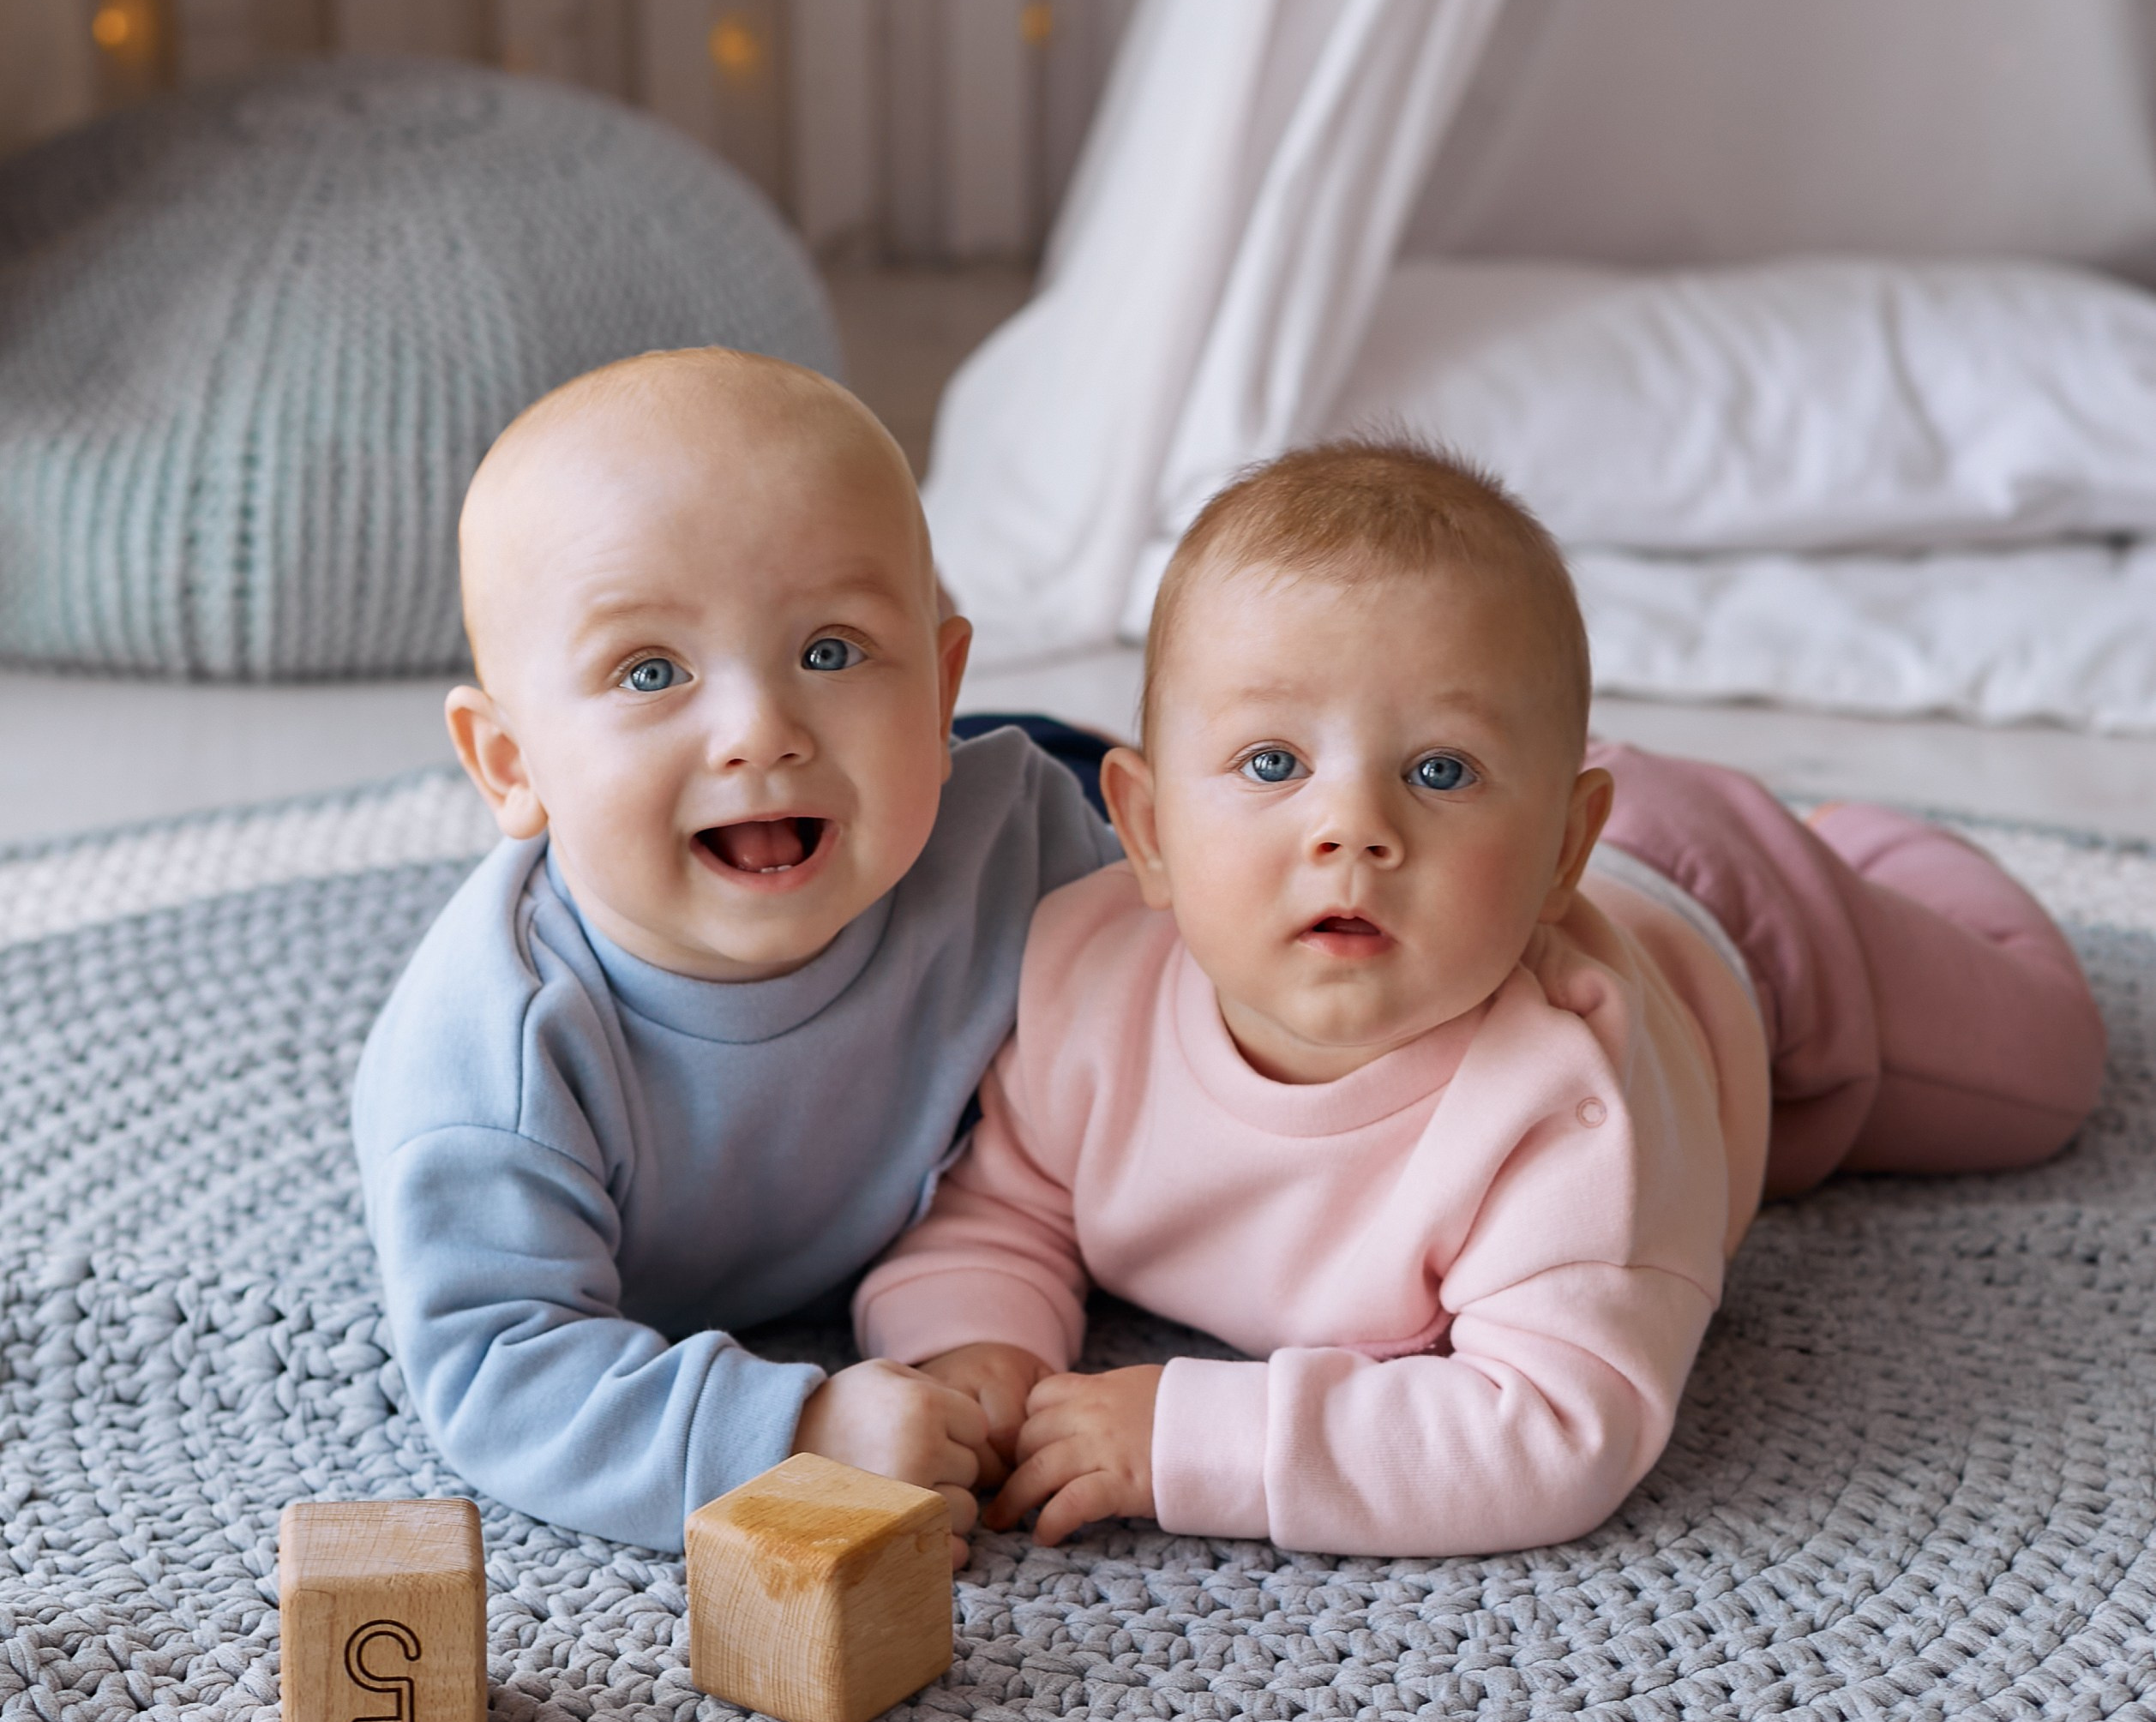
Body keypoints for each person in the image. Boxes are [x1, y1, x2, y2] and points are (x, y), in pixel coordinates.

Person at [857, 440, 2106, 1560]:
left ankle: (1865, 843)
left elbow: (1557, 1426)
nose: (1353, 828)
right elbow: (995, 1213)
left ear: (1561, 848)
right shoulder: (1088, 981)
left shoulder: (1562, 1095)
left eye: (1439, 770)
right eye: (1272, 763)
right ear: (1146, 830)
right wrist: (976, 1357)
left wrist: (1188, 1437)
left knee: (2048, 1067)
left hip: (1750, 931)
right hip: (1588, 843)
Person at [351, 347, 1120, 1556]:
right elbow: (499, 1369)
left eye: (831, 650)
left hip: (1040, 773)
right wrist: (798, 1429)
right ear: (509, 765)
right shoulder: (501, 1056)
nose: (760, 730)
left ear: (938, 685)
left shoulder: (1017, 838)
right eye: (651, 672)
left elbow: (1219, 1000)